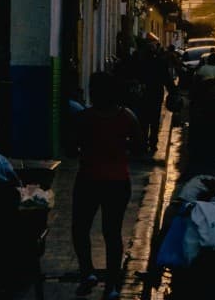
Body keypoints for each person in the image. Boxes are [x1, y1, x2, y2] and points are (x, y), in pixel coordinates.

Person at [72, 72, 143, 299]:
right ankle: (112, 285)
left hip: (88, 181)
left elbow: (71, 147)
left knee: (80, 229)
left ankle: (87, 272)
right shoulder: (127, 116)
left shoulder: (84, 118)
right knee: (112, 233)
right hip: (117, 182)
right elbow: (141, 147)